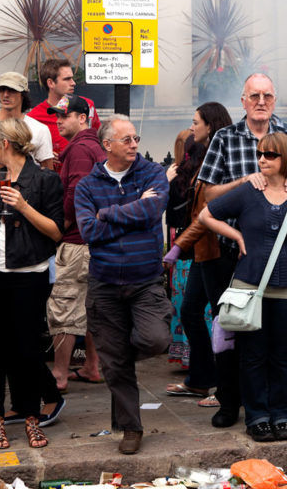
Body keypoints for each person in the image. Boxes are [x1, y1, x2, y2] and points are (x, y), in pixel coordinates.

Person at [197, 73, 287, 429]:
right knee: (234, 332)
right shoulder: (225, 137)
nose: (261, 101)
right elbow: (208, 195)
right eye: (254, 96)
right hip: (236, 255)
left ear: (274, 100)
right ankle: (232, 404)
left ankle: (274, 406)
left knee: (277, 342)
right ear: (243, 101)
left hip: (280, 258)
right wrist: (244, 181)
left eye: (267, 95)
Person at [74, 115, 171, 455]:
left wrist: (109, 213)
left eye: (135, 138)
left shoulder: (152, 173)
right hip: (105, 284)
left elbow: (153, 210)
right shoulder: (87, 186)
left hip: (145, 281)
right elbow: (89, 232)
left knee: (156, 339)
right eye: (126, 139)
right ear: (107, 145)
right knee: (113, 364)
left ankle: (119, 357)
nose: (134, 144)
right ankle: (131, 428)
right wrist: (133, 211)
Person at [0, 118, 63, 450]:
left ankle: (31, 417)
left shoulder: (44, 181)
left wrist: (24, 206)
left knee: (27, 349)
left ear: (6, 144)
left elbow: (56, 231)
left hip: (30, 276)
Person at [163, 103, 233, 402]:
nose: (192, 128)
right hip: (201, 249)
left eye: (196, 123)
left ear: (210, 125)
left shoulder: (218, 158)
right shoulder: (200, 157)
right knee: (191, 311)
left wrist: (179, 245)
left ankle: (227, 387)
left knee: (222, 318)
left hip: (217, 248)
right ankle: (202, 378)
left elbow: (208, 210)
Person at [46, 95, 105, 392]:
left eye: (64, 115)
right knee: (91, 306)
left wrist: (61, 228)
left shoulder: (81, 149)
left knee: (65, 305)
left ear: (82, 118)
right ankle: (92, 366)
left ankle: (59, 373)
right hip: (95, 243)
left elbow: (75, 194)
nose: (58, 121)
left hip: (77, 242)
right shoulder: (94, 146)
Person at [164, 132, 202, 369]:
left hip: (182, 245)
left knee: (185, 303)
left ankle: (188, 355)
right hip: (194, 247)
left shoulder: (177, 177)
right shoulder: (194, 176)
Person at [0, 72, 54, 169]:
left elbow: (48, 172)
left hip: (23, 182)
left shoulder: (39, 129)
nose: (6, 95)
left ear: (23, 94)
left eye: (12, 90)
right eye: (2, 90)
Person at [28, 58, 101, 170]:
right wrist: (44, 156)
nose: (73, 83)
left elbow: (99, 137)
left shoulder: (87, 105)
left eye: (72, 78)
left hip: (87, 176)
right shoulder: (34, 117)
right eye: (67, 79)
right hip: (55, 181)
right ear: (51, 83)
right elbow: (26, 154)